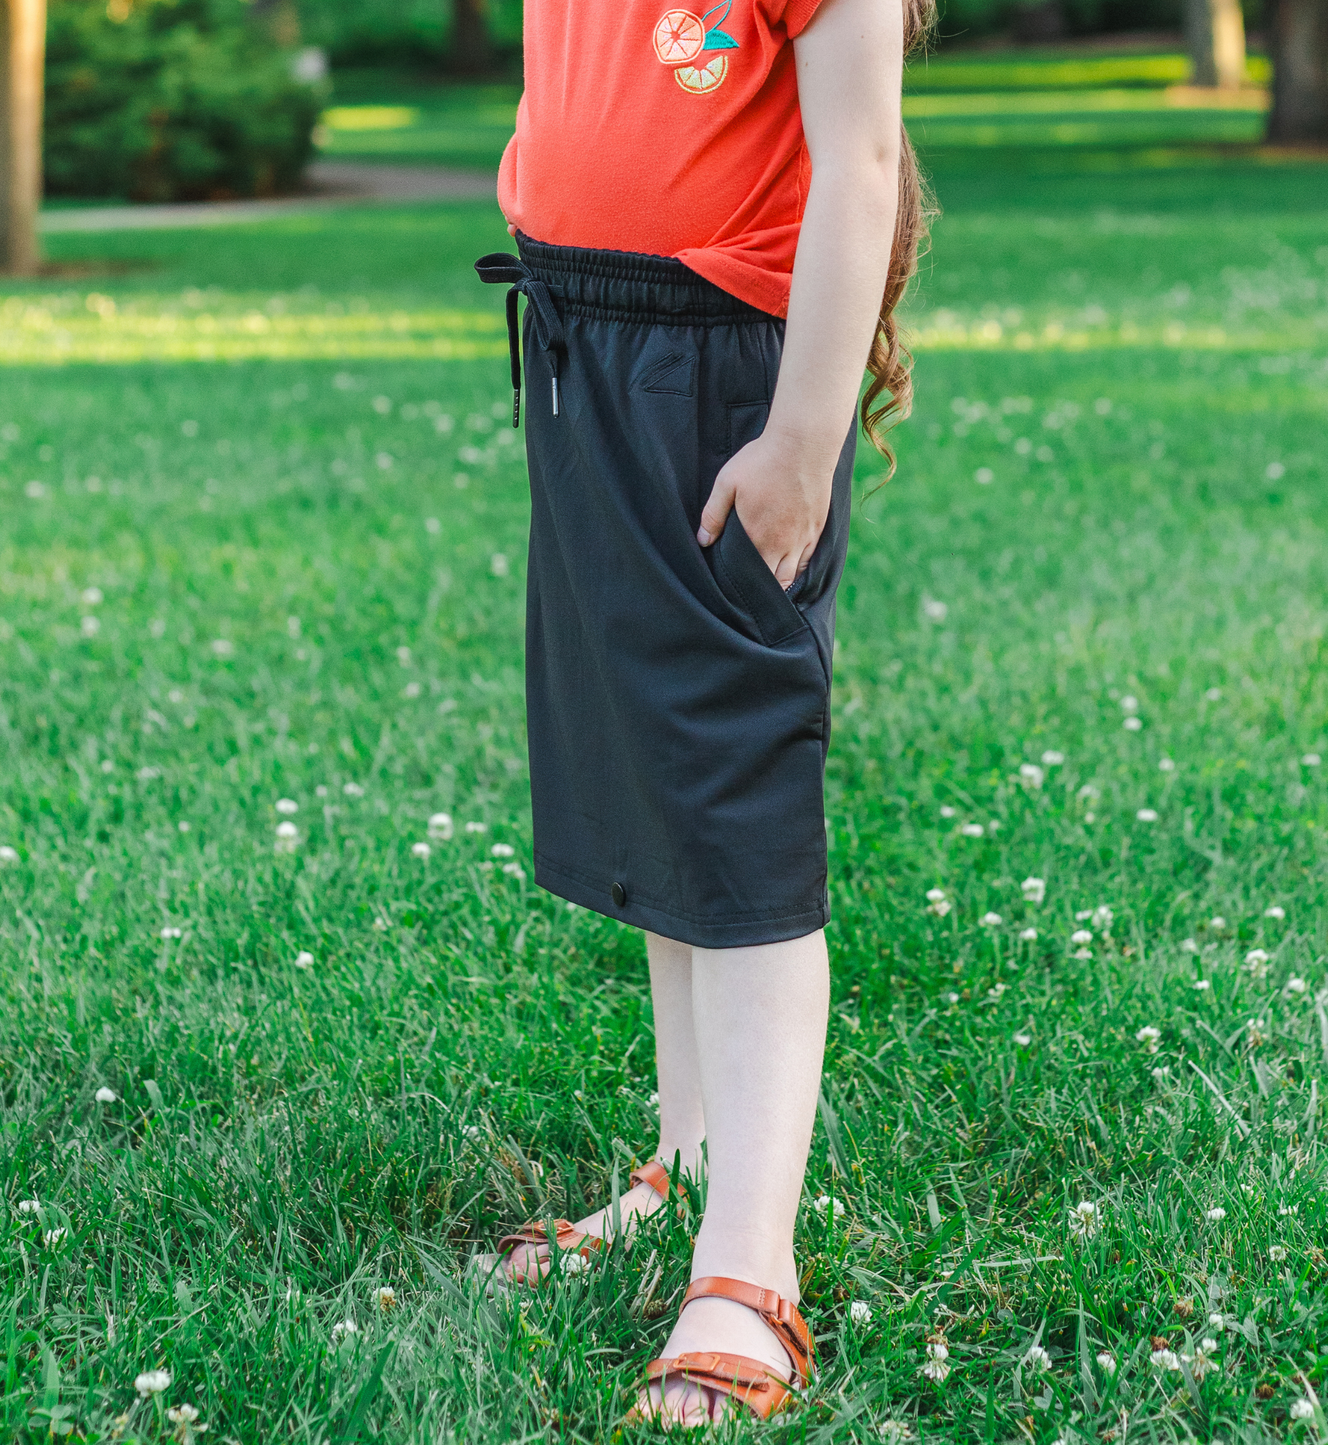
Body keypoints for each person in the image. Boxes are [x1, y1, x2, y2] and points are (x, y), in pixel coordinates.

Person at [474, 0, 934, 1423]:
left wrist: (802, 438)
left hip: (722, 373)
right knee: (656, 788)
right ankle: (690, 1171)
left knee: (730, 808)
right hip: (584, 347)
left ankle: (749, 1266)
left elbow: (856, 164)